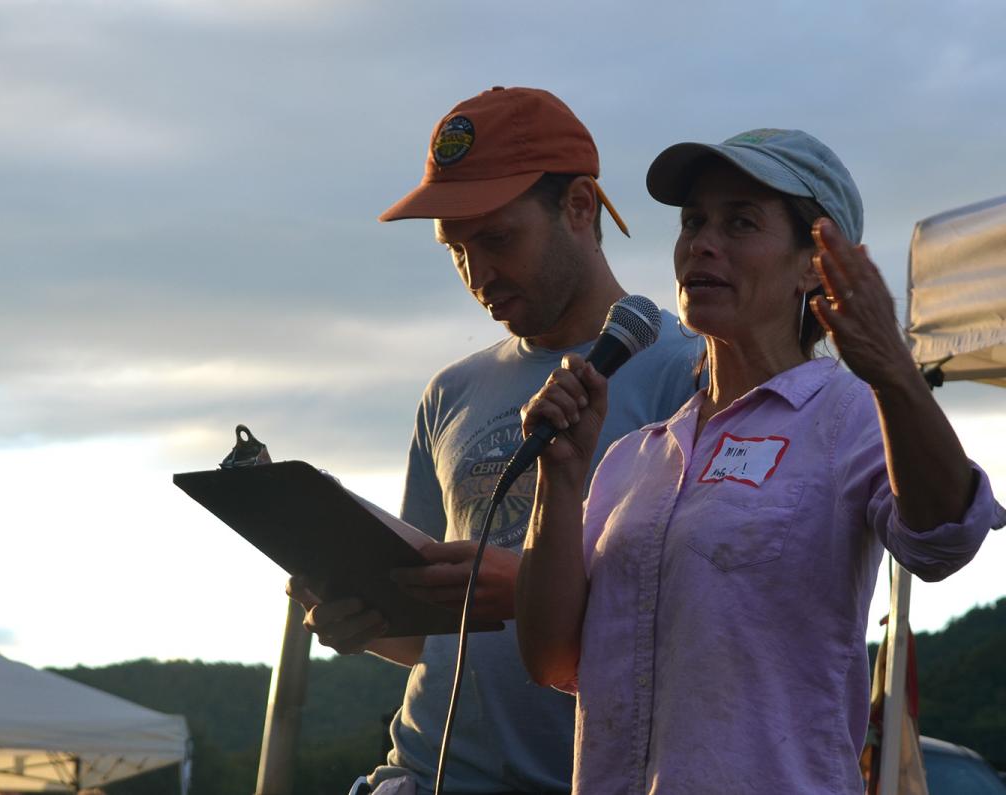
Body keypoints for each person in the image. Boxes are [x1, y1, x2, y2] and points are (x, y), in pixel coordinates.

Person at [515, 128, 1005, 793]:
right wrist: (560, 477)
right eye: (693, 222)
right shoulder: (636, 457)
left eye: (741, 221)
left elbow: (947, 537)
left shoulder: (848, 412)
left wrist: (894, 370)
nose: (702, 243)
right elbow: (550, 657)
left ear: (816, 264)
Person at [287, 86, 702, 793]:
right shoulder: (448, 393)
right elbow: (428, 636)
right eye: (455, 249)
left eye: (497, 238)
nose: (478, 274)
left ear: (578, 207)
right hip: (421, 774)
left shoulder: (687, 372)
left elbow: (717, 615)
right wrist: (360, 616)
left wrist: (540, 588)